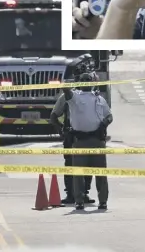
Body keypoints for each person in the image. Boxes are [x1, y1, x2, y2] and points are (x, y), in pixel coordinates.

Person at [58, 73, 112, 210]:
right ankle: (79, 201)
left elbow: (110, 116)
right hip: (80, 140)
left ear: (92, 82)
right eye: (83, 80)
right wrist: (64, 84)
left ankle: (103, 201)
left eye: (88, 80)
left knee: (101, 173)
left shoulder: (99, 99)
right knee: (78, 174)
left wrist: (104, 123)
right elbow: (67, 92)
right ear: (79, 82)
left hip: (97, 141)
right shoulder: (75, 97)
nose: (86, 82)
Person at [51, 95, 96, 205]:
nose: (84, 83)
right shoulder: (66, 97)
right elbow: (53, 116)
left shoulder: (94, 96)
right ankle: (71, 194)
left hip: (88, 136)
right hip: (71, 137)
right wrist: (61, 130)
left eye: (87, 81)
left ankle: (84, 193)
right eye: (82, 80)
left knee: (88, 164)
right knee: (70, 165)